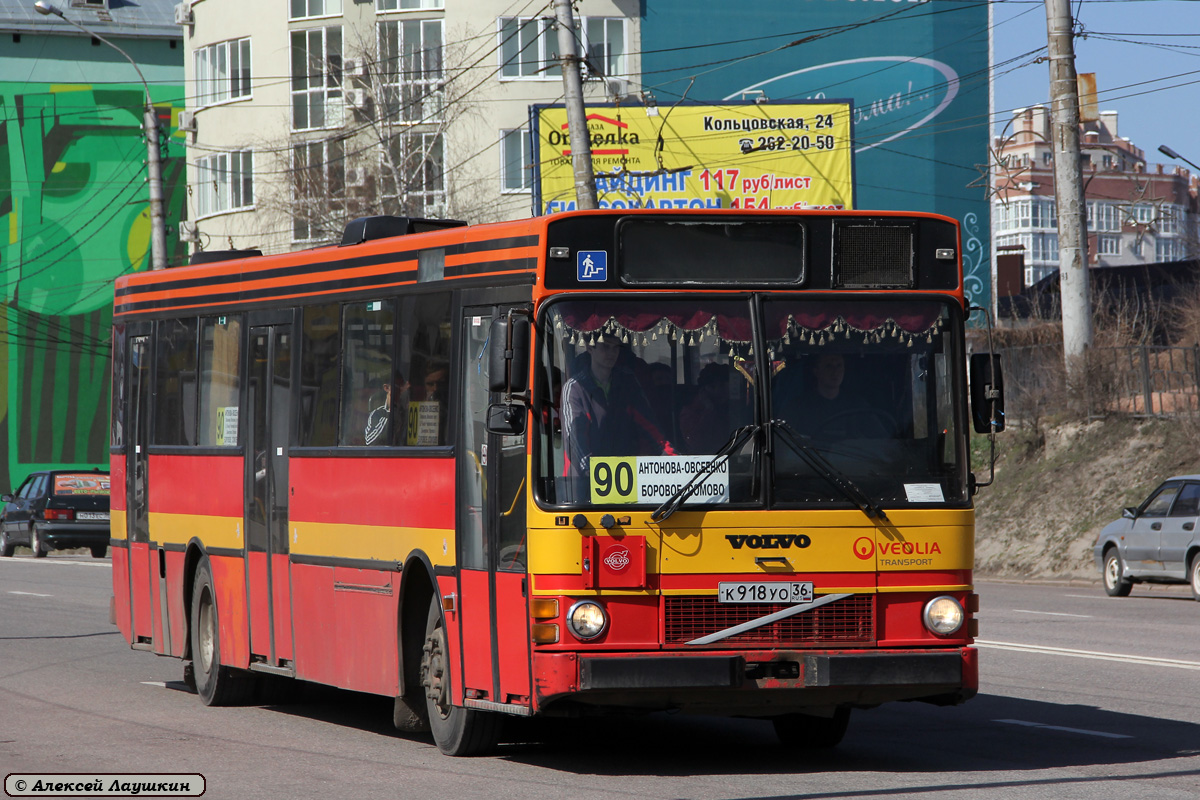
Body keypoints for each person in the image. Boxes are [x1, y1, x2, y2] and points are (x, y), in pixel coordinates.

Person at [561, 339, 675, 481]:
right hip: (581, 487)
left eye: (616, 348)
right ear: (590, 347)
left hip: (622, 482)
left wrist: (675, 460)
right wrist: (592, 472)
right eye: (606, 346)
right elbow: (574, 439)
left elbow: (651, 428)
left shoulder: (627, 384)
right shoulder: (574, 388)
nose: (612, 353)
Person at [679, 362, 735, 454]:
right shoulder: (689, 412)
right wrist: (709, 409)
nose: (727, 391)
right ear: (708, 388)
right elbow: (697, 443)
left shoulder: (731, 408)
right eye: (721, 386)